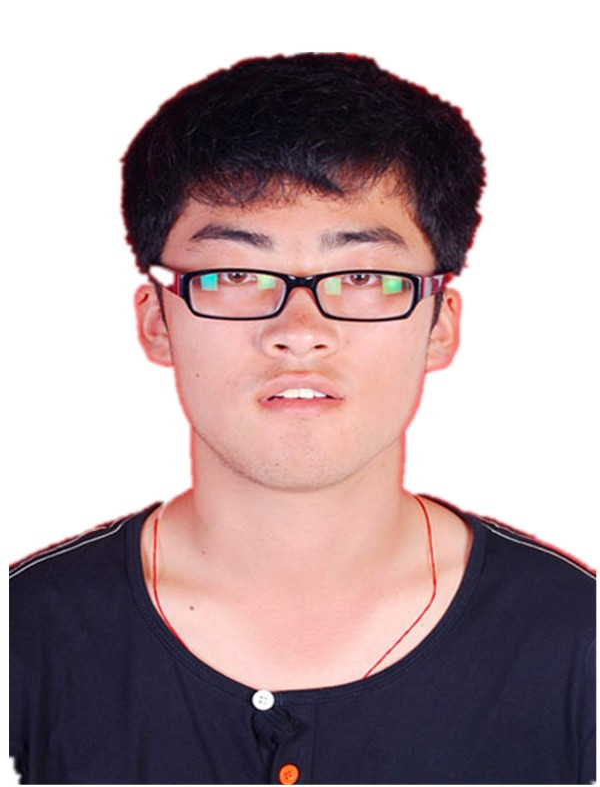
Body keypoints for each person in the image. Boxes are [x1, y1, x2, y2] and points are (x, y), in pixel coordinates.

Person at [9, 52, 595, 785]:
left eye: (362, 275)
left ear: (441, 325)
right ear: (156, 320)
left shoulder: (577, 638)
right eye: (234, 274)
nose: (298, 331)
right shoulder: (25, 632)